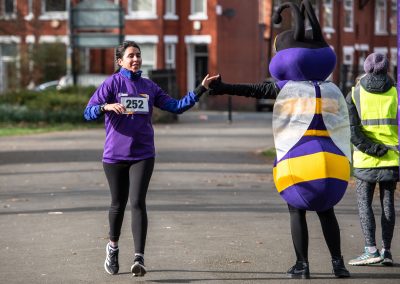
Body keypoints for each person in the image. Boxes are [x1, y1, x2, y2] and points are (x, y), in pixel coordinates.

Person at [209, 1, 350, 279]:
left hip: (298, 159)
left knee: (297, 210)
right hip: (333, 161)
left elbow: (256, 89)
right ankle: (338, 264)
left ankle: (303, 265)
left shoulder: (289, 88)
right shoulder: (332, 90)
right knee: (327, 212)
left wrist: (224, 87)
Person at [83, 40, 217, 277]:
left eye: (138, 55)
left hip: (143, 154)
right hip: (114, 156)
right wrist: (106, 107)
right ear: (120, 61)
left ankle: (139, 258)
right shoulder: (111, 83)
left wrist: (200, 89)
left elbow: (176, 106)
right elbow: (88, 111)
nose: (136, 59)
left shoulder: (149, 86)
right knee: (118, 203)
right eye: (131, 56)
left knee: (137, 202)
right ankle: (112, 248)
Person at [346, 52, 398, 266]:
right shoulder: (396, 94)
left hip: (365, 158)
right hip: (392, 157)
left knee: (364, 203)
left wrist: (370, 148)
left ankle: (370, 250)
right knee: (388, 204)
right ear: (387, 68)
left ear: (366, 69)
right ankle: (386, 251)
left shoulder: (354, 94)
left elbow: (353, 131)